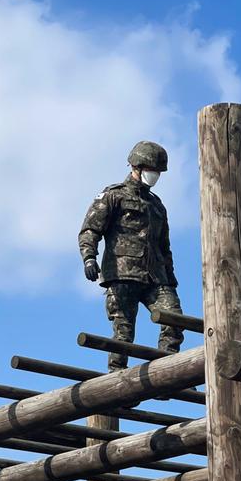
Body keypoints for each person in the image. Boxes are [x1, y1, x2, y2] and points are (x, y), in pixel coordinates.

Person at [79, 140, 185, 372]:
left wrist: (171, 279)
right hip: (122, 275)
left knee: (175, 320)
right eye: (151, 170)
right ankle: (117, 379)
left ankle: (166, 371)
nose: (155, 175)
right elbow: (90, 230)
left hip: (156, 278)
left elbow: (164, 247)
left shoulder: (157, 205)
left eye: (158, 172)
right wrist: (89, 258)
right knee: (123, 333)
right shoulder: (113, 195)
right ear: (136, 167)